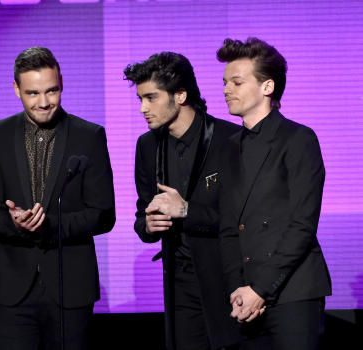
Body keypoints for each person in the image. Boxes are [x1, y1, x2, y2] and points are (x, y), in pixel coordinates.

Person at [0, 47, 115, 349]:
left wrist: (48, 226)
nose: (43, 102)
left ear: (62, 83)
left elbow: (103, 214)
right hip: (13, 289)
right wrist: (15, 223)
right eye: (33, 93)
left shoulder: (89, 136)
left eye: (51, 91)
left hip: (71, 289)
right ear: (16, 89)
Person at [216, 37, 331, 350]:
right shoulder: (228, 148)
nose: (227, 89)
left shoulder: (298, 139)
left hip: (292, 292)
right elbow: (227, 227)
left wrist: (261, 290)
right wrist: (238, 288)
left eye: (237, 82)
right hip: (244, 298)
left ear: (267, 87)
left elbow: (302, 226)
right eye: (225, 82)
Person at [124, 52, 241, 350]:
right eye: (140, 99)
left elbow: (243, 219)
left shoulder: (231, 140)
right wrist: (148, 225)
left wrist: (186, 211)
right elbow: (142, 215)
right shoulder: (147, 145)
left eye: (151, 98)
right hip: (179, 281)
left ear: (180, 95)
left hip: (228, 278)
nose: (142, 109)